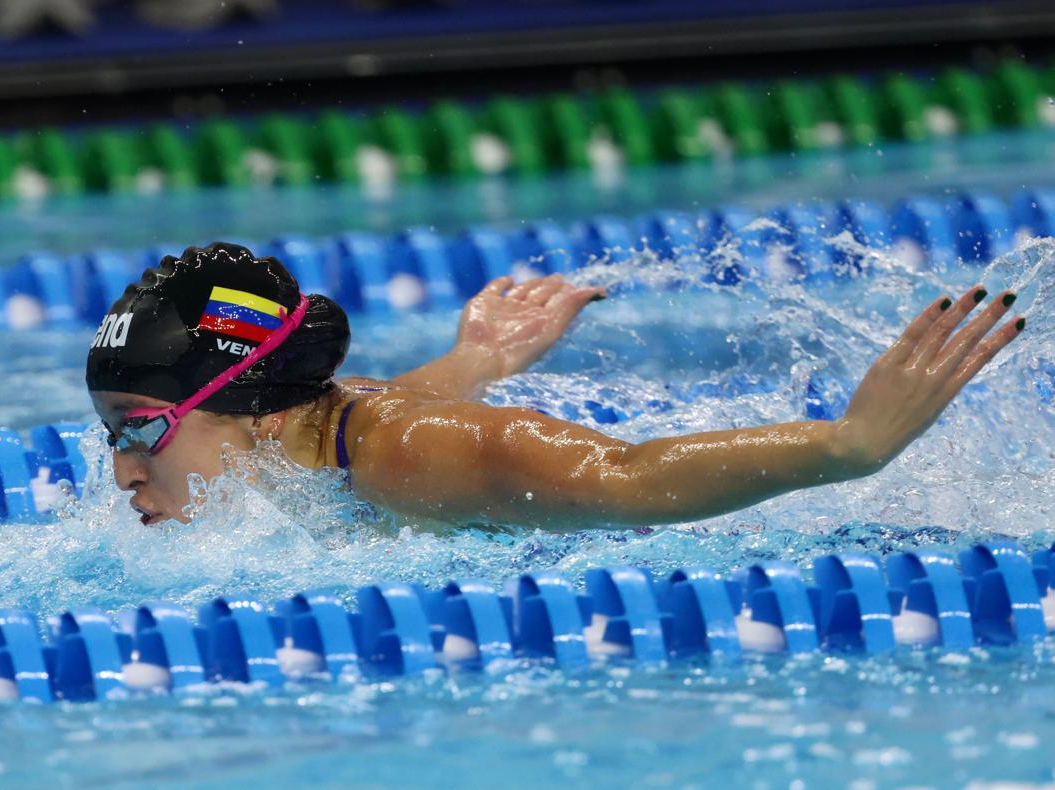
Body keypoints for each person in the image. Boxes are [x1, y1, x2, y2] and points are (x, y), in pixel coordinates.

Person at [87, 242, 1026, 529]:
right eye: (113, 435)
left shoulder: (410, 454)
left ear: (249, 406)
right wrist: (475, 364)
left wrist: (848, 447)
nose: (123, 471)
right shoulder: (303, 438)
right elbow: (355, 424)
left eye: (140, 429)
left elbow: (629, 477)